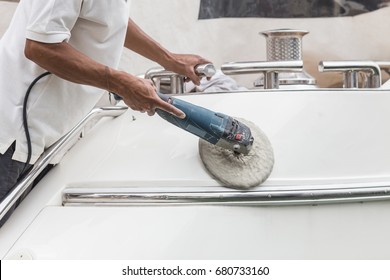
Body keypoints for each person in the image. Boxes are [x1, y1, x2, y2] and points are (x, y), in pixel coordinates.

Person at [0, 0, 210, 225]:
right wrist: (121, 83)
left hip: (48, 133)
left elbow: (108, 16)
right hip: (13, 133)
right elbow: (40, 47)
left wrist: (168, 58)